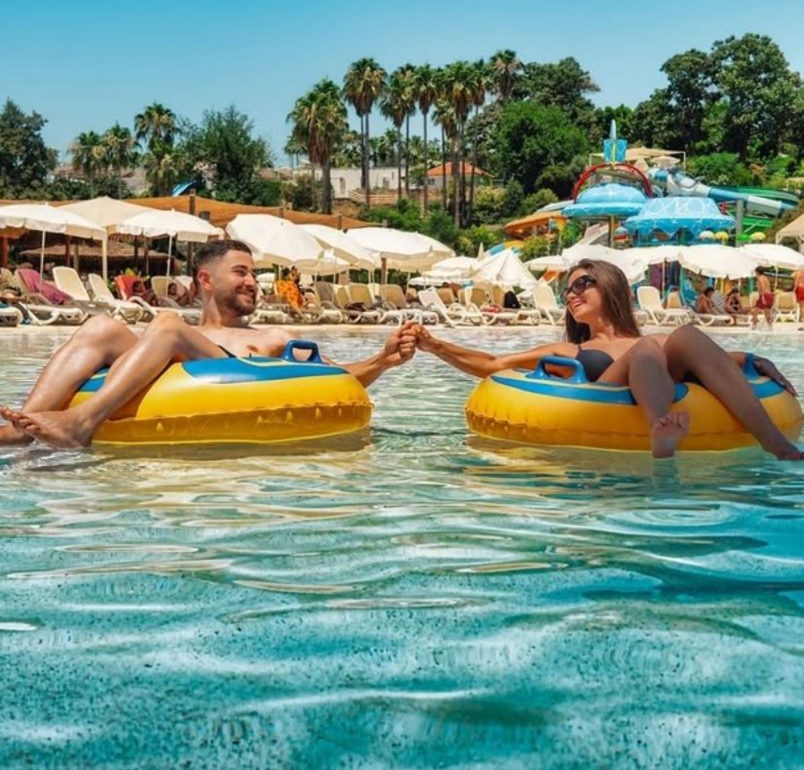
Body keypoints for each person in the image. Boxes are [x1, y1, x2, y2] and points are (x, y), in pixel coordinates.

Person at [0, 240, 414, 450]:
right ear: (206, 280)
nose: (252, 282)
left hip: (228, 368)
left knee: (168, 324)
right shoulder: (164, 336)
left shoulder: (272, 337)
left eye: (253, 274)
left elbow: (331, 379)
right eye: (241, 272)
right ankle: (23, 429)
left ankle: (81, 422)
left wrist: (382, 360)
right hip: (168, 355)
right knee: (101, 325)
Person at [400, 259, 802, 461]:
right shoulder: (568, 351)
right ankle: (660, 432)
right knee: (648, 349)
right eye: (567, 291)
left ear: (610, 287)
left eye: (582, 284)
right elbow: (491, 363)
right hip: (607, 395)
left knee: (684, 335)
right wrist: (435, 345)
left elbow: (710, 361)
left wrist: (752, 358)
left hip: (656, 371)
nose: (571, 294)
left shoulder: (652, 340)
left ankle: (776, 444)